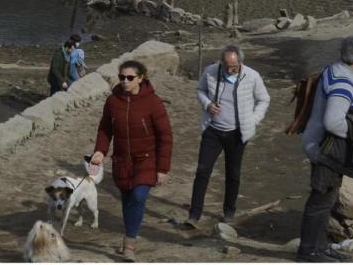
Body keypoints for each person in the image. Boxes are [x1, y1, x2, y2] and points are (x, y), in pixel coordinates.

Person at [295, 35, 353, 263]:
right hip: (325, 148)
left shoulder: (336, 69)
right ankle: (308, 251)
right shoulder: (343, 81)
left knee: (328, 198)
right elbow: (333, 121)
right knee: (321, 198)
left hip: (323, 145)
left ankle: (321, 246)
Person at [90, 61, 173, 262]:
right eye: (121, 77)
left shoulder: (153, 102)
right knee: (127, 201)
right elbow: (105, 129)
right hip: (122, 161)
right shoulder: (112, 101)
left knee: (138, 196)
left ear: (141, 78)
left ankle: (130, 245)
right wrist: (100, 151)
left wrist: (162, 169)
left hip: (147, 160)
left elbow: (165, 136)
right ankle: (129, 237)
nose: (125, 81)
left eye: (130, 78)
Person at [184, 45, 270, 228]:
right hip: (212, 130)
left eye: (234, 67)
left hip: (238, 133)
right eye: (227, 66)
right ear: (221, 62)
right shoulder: (211, 71)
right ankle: (194, 215)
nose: (230, 70)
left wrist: (253, 120)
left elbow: (264, 99)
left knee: (233, 173)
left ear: (241, 62)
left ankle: (229, 212)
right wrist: (207, 104)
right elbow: (200, 90)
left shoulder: (252, 76)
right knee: (202, 172)